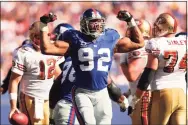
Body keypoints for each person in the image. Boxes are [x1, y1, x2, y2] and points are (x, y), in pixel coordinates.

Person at [39, 9, 145, 124]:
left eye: (98, 22)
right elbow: (47, 48)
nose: (96, 25)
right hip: (82, 92)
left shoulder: (109, 38)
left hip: (102, 92)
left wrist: (130, 21)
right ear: (84, 23)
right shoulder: (75, 39)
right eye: (92, 22)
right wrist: (43, 24)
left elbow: (139, 43)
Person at [130, 13, 187, 125]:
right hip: (182, 93)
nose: (155, 29)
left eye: (158, 26)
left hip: (163, 92)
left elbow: (149, 72)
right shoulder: (185, 40)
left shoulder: (157, 43)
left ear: (165, 27)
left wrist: (136, 97)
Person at [8, 21, 64, 125]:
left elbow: (58, 74)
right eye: (40, 36)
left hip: (48, 98)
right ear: (33, 36)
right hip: (31, 98)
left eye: (47, 35)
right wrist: (13, 106)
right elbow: (14, 81)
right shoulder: (23, 53)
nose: (44, 39)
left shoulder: (53, 48)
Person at [120, 19, 152, 125]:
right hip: (152, 92)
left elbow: (132, 75)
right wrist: (129, 92)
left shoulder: (136, 49)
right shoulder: (153, 44)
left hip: (143, 95)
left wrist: (122, 63)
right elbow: (143, 74)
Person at [49, 23, 79, 125]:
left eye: (56, 36)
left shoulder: (64, 58)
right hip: (66, 102)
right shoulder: (76, 57)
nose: (53, 39)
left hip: (56, 101)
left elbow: (58, 82)